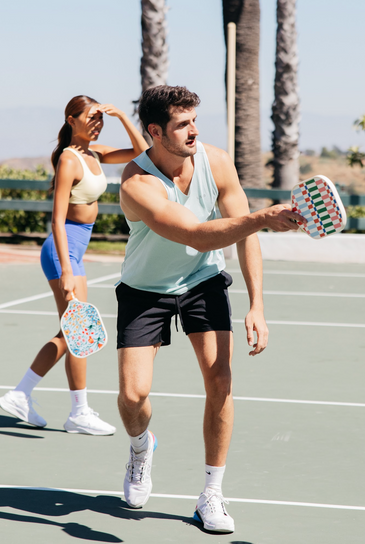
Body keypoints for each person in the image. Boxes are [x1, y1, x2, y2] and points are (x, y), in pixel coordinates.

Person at [116, 85, 306, 533]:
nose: (193, 131)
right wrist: (262, 216)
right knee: (132, 396)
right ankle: (141, 447)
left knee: (220, 380)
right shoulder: (136, 182)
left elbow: (243, 235)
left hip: (202, 282)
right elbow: (197, 234)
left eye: (194, 120)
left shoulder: (216, 161)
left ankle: (211, 493)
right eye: (182, 124)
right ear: (155, 132)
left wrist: (257, 304)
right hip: (145, 289)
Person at [0, 95, 148, 435]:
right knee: (79, 331)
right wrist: (67, 268)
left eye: (101, 120)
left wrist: (124, 117)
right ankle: (62, 407)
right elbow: (57, 219)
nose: (97, 124)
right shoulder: (69, 159)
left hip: (74, 252)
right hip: (62, 249)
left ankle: (29, 395)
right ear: (71, 120)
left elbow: (143, 152)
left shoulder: (94, 154)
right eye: (91, 118)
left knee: (76, 331)